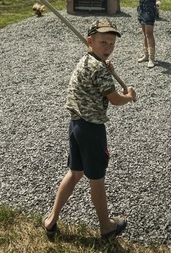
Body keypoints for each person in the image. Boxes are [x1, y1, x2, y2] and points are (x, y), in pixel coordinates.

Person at [43, 18, 137, 240]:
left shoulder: (86, 60)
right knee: (97, 180)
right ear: (90, 41)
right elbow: (114, 100)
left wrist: (105, 66)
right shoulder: (99, 70)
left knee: (75, 173)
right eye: (103, 43)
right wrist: (129, 96)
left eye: (112, 44)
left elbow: (96, 74)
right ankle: (106, 226)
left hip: (76, 125)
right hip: (92, 130)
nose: (108, 48)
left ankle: (51, 220)